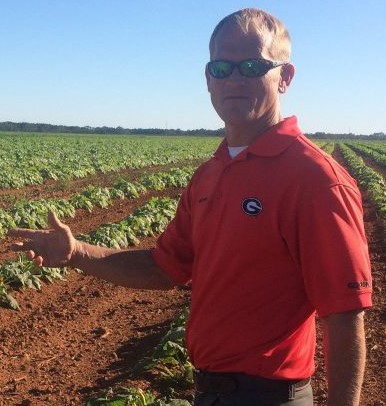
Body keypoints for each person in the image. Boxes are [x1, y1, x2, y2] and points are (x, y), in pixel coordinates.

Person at [9, 8, 372, 406]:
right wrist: (78, 253)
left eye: (252, 66)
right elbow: (166, 267)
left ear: (284, 77)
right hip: (207, 392)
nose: (234, 78)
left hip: (268, 396)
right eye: (222, 67)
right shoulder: (210, 174)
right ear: (208, 79)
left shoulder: (316, 180)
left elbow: (344, 313)